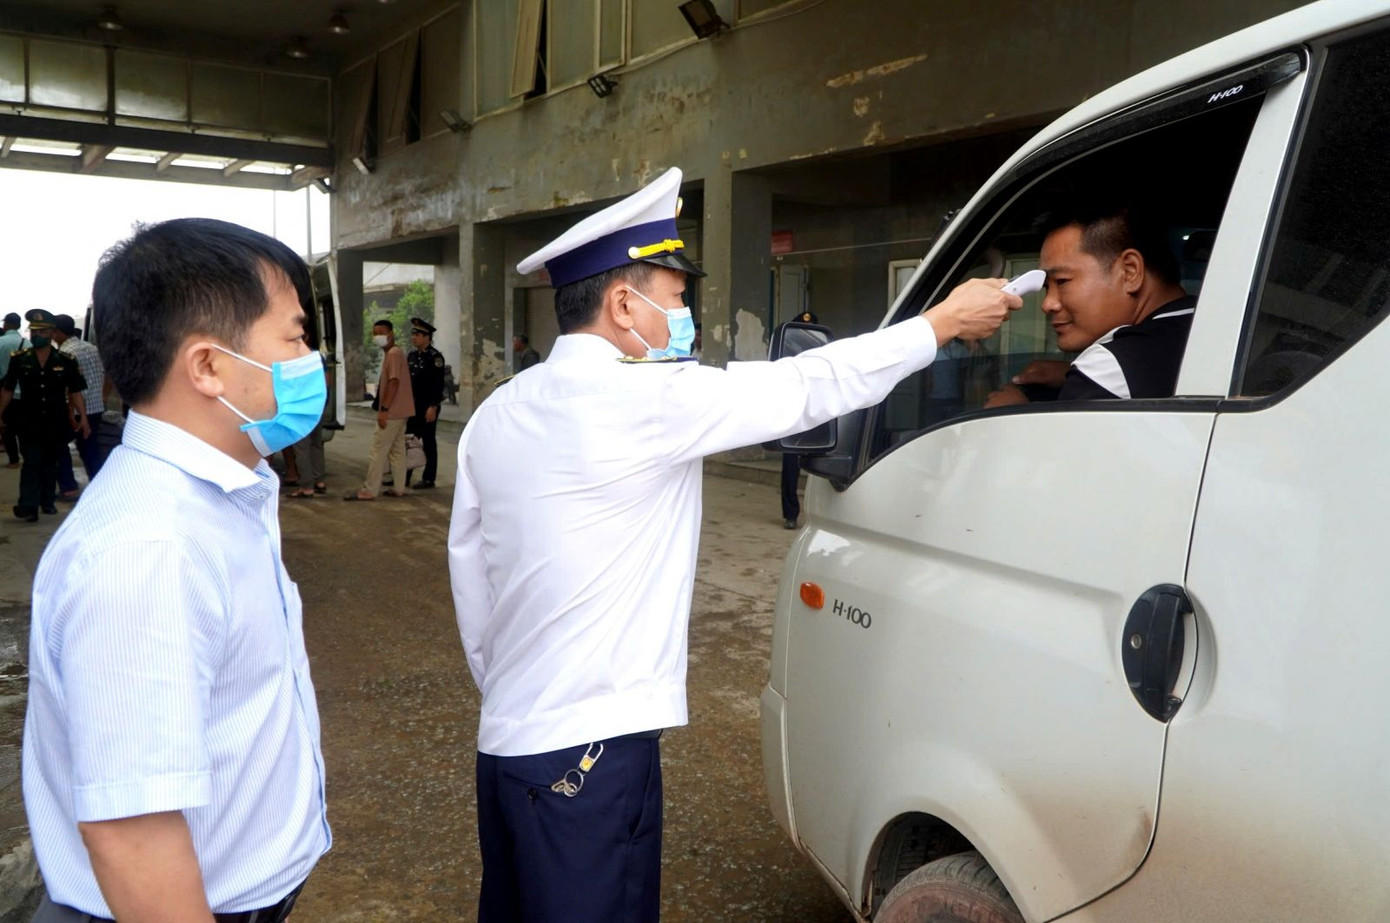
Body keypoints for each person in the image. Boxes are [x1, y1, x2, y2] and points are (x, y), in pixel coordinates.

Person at [447, 166, 1019, 923]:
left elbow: (471, 575)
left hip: (511, 743)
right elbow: (810, 383)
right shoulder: (646, 398)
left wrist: (520, 691)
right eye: (676, 297)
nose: (683, 316)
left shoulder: (499, 410)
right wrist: (940, 322)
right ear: (624, 303)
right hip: (591, 751)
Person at [23, 218, 331, 922]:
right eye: (293, 337)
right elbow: (134, 832)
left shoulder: (218, 498)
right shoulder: (147, 548)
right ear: (208, 366)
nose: (309, 358)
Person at [984, 202, 1193, 408]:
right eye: (1047, 287)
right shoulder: (1204, 330)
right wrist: (1070, 374)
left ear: (1130, 271)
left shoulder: (1106, 368)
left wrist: (1014, 412)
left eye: (1062, 281)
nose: (1047, 304)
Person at [0, 310, 87, 522]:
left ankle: (47, 502)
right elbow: (8, 389)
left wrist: (82, 417)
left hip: (55, 422)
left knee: (50, 463)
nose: (36, 335)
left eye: (42, 331)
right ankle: (28, 505)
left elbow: (75, 391)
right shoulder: (20, 360)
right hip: (28, 420)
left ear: (51, 333)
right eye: (33, 331)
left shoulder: (65, 360)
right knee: (31, 462)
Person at [345, 319, 414, 500]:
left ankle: (370, 489)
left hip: (392, 411)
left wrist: (384, 409)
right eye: (374, 333)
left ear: (390, 334)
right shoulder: (396, 353)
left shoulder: (393, 353)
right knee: (397, 450)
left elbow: (394, 382)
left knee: (378, 449)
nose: (377, 337)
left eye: (380, 332)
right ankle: (399, 487)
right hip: (402, 411)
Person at [50, 314, 109, 492]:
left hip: (76, 411)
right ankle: (101, 486)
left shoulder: (66, 353)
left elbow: (71, 388)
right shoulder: (92, 348)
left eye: (53, 332)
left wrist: (71, 409)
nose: (52, 336)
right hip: (96, 407)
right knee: (90, 449)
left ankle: (70, 486)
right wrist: (103, 397)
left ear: (59, 332)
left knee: (60, 446)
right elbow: (108, 376)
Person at [777, 310, 819, 529]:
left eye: (810, 330)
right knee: (790, 470)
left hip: (818, 416)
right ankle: (790, 514)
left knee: (822, 468)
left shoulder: (822, 352)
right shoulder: (787, 354)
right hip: (794, 417)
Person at [406, 317, 446, 489]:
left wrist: (433, 407)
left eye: (417, 335)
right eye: (413, 334)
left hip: (427, 406)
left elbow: (438, 385)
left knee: (428, 441)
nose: (414, 338)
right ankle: (404, 475)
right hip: (412, 406)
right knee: (408, 440)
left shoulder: (435, 358)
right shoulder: (412, 356)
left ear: (427, 337)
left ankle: (429, 478)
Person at [0, 312, 26, 468]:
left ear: (6, 325)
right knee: (24, 428)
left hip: (4, 391)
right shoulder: (28, 344)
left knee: (6, 427)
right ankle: (27, 456)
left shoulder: (1, 342)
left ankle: (14, 460)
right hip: (26, 393)